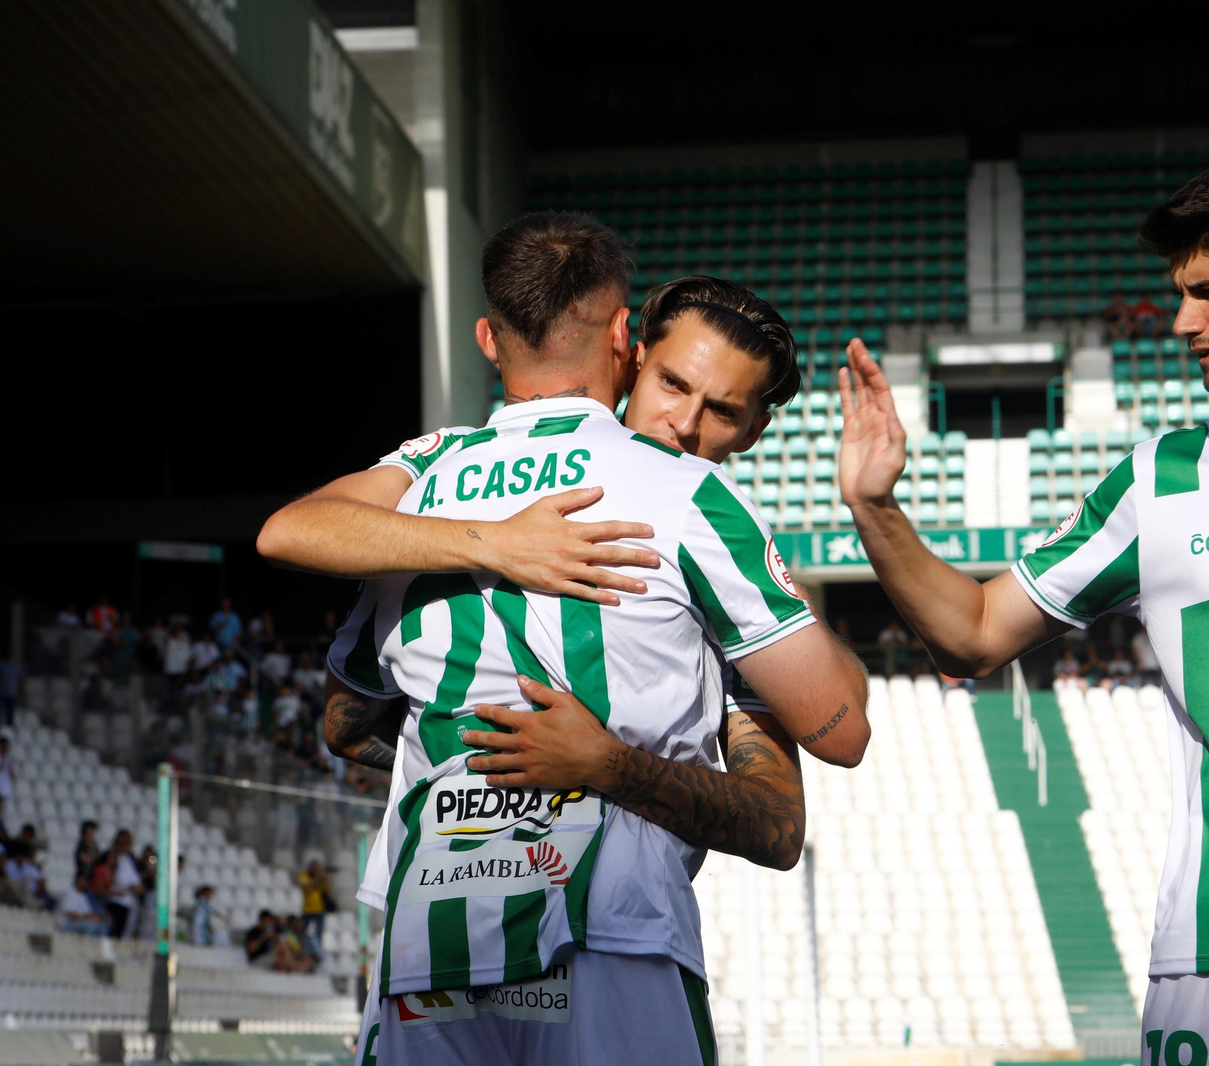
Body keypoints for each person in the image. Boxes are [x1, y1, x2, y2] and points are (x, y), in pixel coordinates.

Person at [261, 219, 868, 1064]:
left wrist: (476, 749)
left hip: (427, 954)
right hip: (614, 939)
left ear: (488, 338)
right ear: (627, 341)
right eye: (674, 384)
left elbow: (342, 712)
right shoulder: (688, 495)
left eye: (720, 408)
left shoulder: (419, 482)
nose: (687, 423)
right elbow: (838, 731)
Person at [835, 156, 1209, 1064]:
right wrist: (875, 509)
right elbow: (972, 633)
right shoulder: (1156, 482)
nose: (1181, 321)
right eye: (1180, 293)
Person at [57, 870, 109, 937]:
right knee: (91, 926)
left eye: (84, 881)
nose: (83, 882)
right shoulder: (69, 893)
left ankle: (101, 947)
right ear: (76, 880)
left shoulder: (83, 896)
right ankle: (83, 945)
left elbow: (87, 913)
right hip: (65, 924)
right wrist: (86, 919)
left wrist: (97, 918)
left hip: (79, 922)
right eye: (81, 880)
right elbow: (71, 915)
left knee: (102, 926)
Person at [296, 859, 330, 954]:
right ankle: (299, 949)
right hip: (307, 910)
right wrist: (318, 878)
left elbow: (328, 892)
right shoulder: (304, 876)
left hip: (320, 910)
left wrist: (325, 878)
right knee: (302, 931)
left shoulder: (320, 878)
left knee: (318, 933)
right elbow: (308, 889)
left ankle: (317, 952)